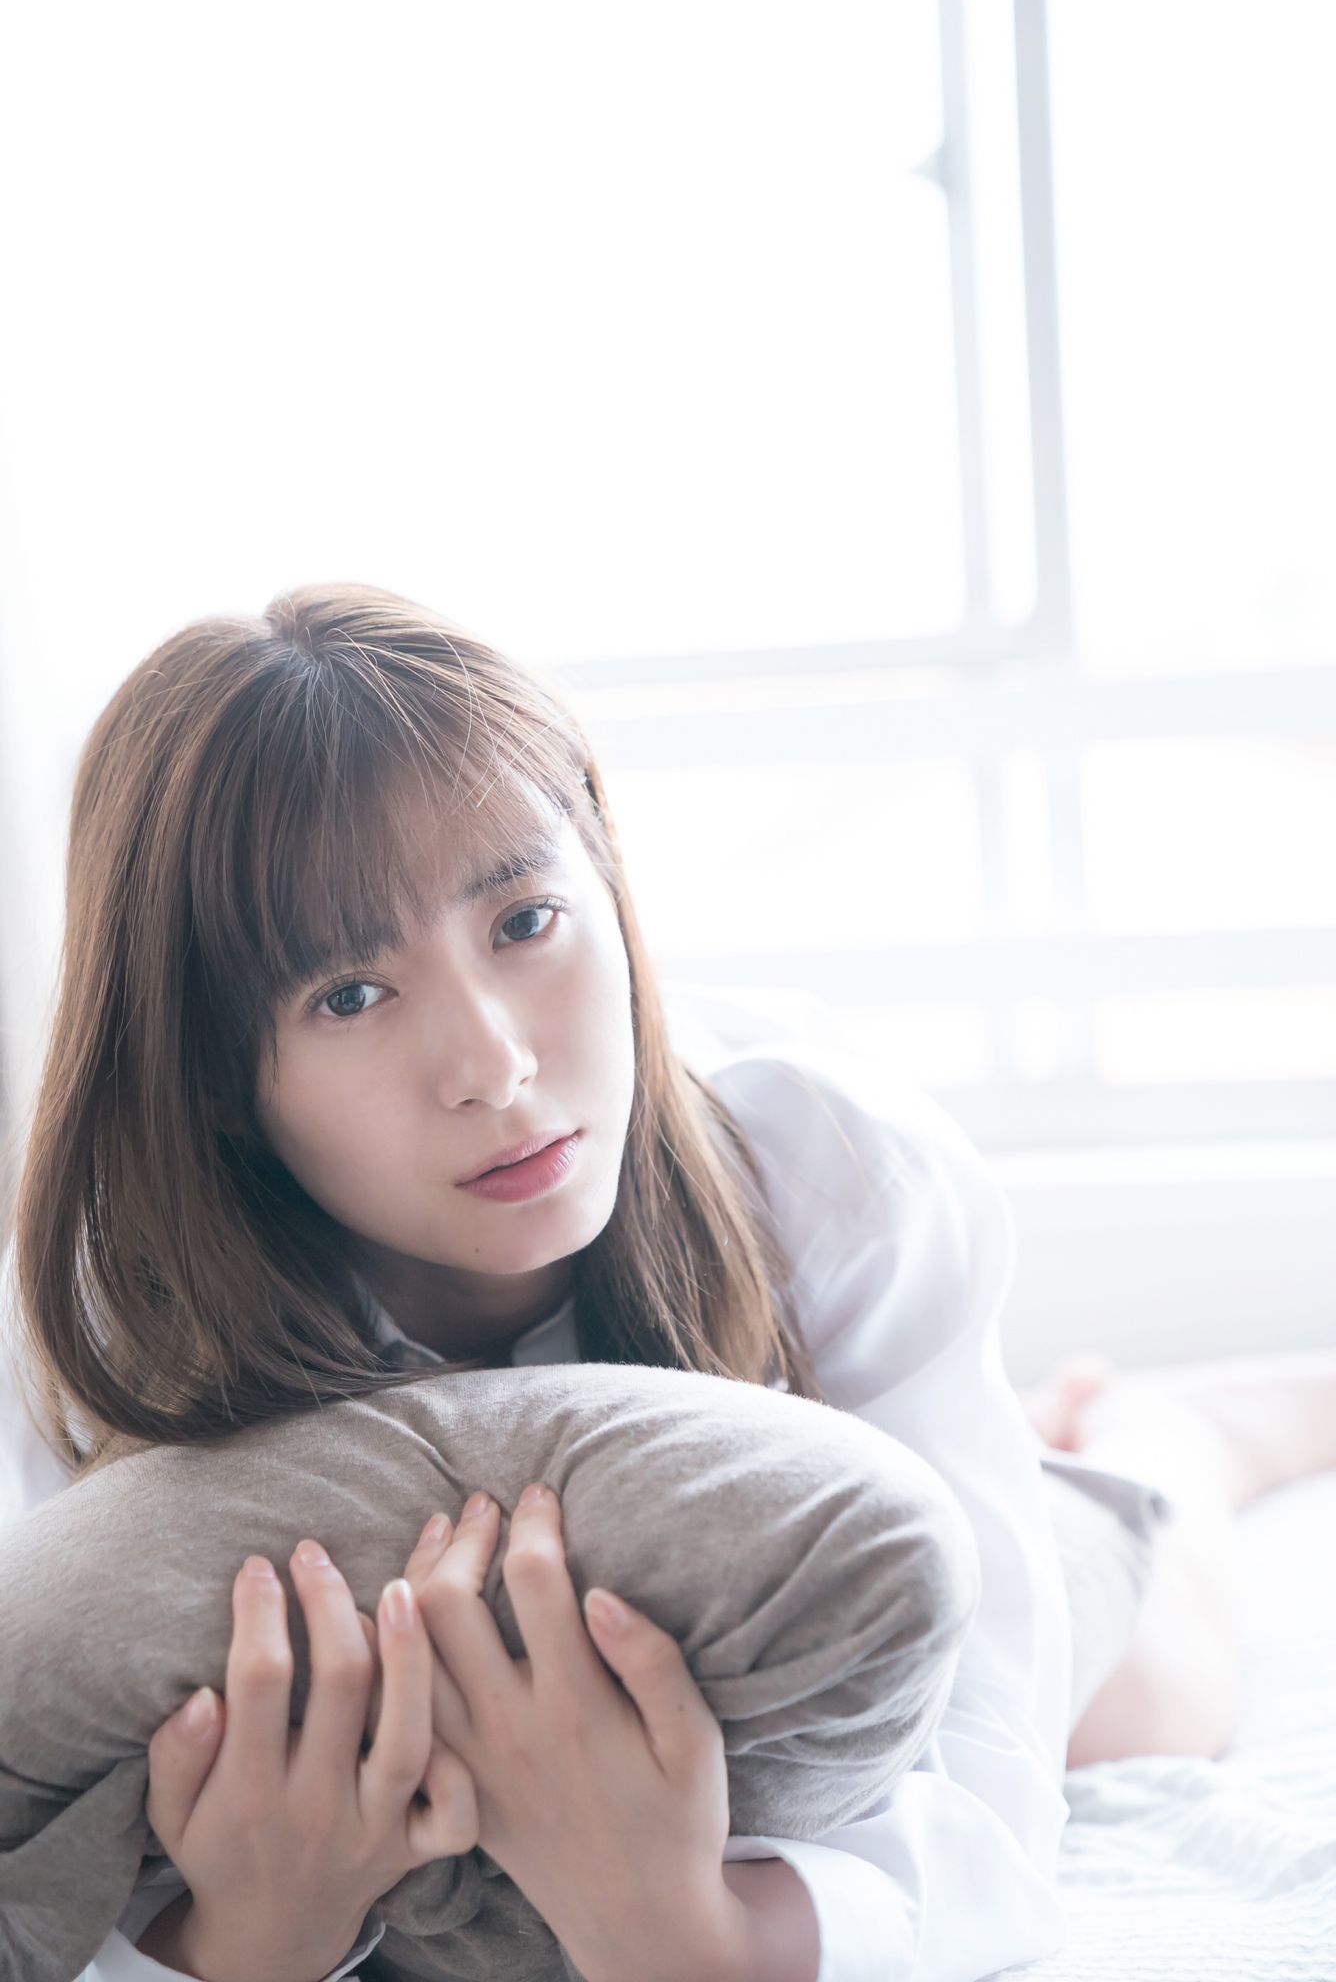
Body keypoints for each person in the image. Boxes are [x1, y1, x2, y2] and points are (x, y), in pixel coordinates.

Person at [1, 581, 1332, 1982]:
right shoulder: (102, 1325)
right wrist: (252, 1937)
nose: (496, 1064)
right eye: (349, 995)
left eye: (525, 920)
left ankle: (1178, 1434)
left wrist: (681, 1934)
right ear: (211, 1079)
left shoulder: (824, 1170)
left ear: (610, 883)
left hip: (826, 1594)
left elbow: (994, 1829)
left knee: (1136, 1702)